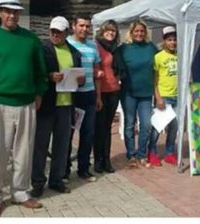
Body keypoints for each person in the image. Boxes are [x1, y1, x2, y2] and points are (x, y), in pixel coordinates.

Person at [0, 0, 48, 217]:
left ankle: (21, 192)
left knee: (24, 152)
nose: (11, 15)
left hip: (26, 103)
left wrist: (39, 93)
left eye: (15, 11)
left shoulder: (31, 39)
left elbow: (40, 71)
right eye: (7, 11)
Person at [31, 16, 81, 197]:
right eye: (53, 31)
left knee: (62, 145)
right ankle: (37, 181)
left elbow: (78, 77)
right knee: (40, 146)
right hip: (47, 104)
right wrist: (49, 76)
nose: (55, 34)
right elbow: (35, 71)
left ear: (67, 32)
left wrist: (80, 80)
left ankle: (56, 179)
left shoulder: (74, 52)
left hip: (66, 105)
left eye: (59, 31)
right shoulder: (42, 48)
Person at [114, 20, 158, 168]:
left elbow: (160, 66)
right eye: (136, 31)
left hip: (146, 93)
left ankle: (142, 154)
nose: (139, 34)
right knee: (129, 125)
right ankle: (131, 155)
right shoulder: (123, 49)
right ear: (131, 33)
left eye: (142, 31)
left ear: (145, 33)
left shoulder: (151, 47)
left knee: (146, 125)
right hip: (128, 93)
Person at [65, 15, 101, 182]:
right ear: (73, 26)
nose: (84, 29)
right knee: (68, 134)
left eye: (87, 26)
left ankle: (83, 169)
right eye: (81, 25)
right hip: (72, 95)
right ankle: (64, 170)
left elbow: (97, 73)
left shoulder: (93, 45)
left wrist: (98, 96)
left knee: (88, 134)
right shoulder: (66, 44)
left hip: (89, 94)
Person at [147, 26, 179, 167]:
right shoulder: (158, 57)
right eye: (170, 40)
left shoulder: (179, 56)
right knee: (158, 126)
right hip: (164, 96)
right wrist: (158, 97)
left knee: (174, 127)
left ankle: (169, 153)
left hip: (177, 96)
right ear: (164, 41)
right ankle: (152, 152)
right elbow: (154, 80)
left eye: (174, 40)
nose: (173, 42)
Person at [93, 20, 121, 174]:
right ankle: (98, 160)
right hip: (101, 91)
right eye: (108, 30)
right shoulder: (96, 46)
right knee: (99, 128)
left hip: (114, 90)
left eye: (113, 31)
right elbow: (95, 68)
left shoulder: (116, 49)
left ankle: (106, 159)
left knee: (107, 127)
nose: (111, 33)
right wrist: (97, 96)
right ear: (102, 31)